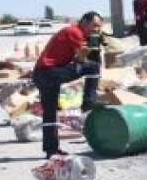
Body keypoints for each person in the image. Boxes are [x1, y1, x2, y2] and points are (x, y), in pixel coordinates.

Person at [33, 11, 104, 158]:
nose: (96, 29)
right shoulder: (74, 31)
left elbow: (76, 59)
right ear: (84, 21)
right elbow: (81, 59)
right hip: (50, 72)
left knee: (50, 113)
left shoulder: (72, 32)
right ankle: (88, 102)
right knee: (94, 66)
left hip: (42, 74)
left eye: (99, 27)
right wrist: (90, 49)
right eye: (94, 25)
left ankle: (51, 150)